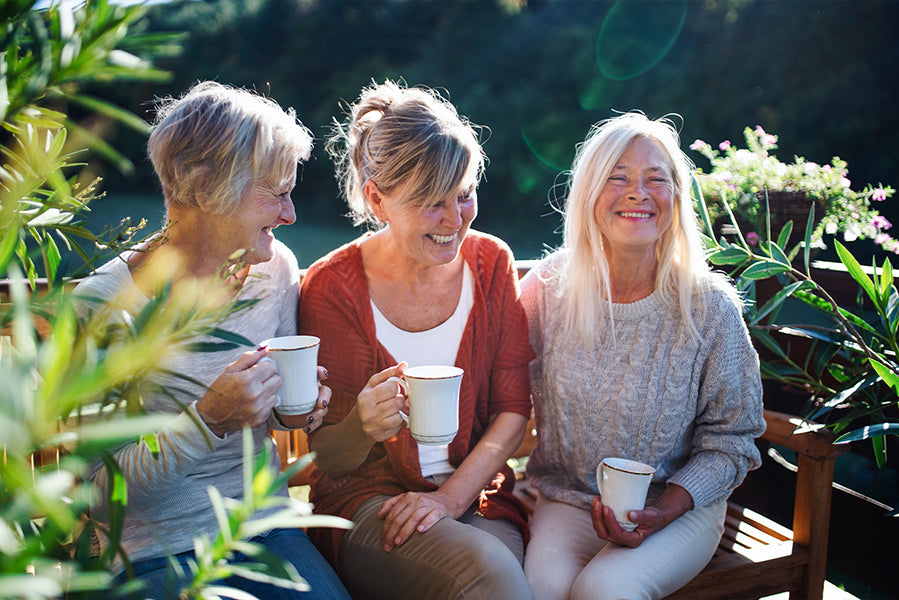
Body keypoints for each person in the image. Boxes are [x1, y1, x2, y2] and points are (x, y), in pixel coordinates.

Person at [74, 81, 350, 600]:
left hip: (260, 526)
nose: (290, 216)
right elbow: (100, 496)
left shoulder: (275, 270)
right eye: (277, 193)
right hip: (149, 551)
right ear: (202, 190)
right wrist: (207, 421)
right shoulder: (103, 306)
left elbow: (278, 419)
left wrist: (297, 409)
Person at [298, 80, 535, 600]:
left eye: (465, 194)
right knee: (490, 576)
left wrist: (449, 499)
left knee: (505, 576)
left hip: (474, 498)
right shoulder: (332, 286)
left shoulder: (492, 262)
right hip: (366, 505)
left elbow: (512, 412)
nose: (456, 221)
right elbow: (331, 460)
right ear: (377, 199)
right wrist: (361, 425)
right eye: (433, 203)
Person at [520, 112, 766, 600]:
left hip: (681, 508)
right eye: (618, 177)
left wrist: (666, 510)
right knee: (537, 591)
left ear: (676, 199)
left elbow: (734, 440)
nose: (638, 192)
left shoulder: (709, 308)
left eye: (657, 179)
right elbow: (495, 388)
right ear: (589, 192)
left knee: (605, 591)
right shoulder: (547, 288)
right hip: (568, 500)